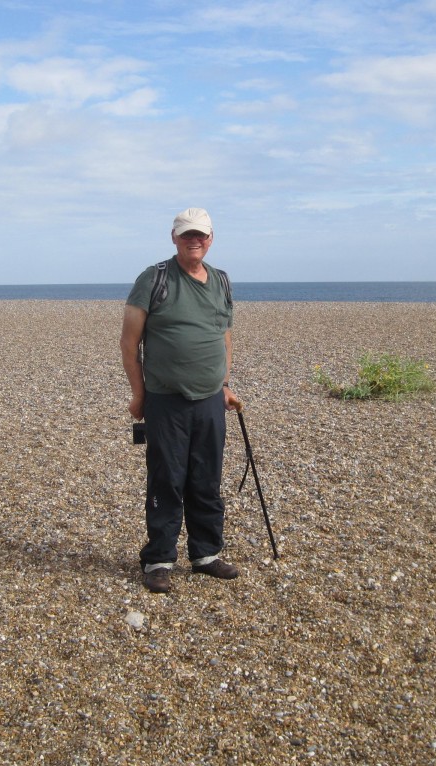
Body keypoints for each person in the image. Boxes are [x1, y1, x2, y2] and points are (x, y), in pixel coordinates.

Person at [120, 207, 241, 593]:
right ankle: (159, 559)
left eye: (201, 234)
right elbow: (129, 343)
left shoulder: (221, 280)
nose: (194, 240)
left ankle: (206, 554)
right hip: (166, 400)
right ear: (174, 238)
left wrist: (224, 385)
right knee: (167, 480)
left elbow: (223, 335)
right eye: (187, 234)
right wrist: (138, 394)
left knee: (206, 478)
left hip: (210, 400)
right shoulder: (154, 278)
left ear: (211, 238)